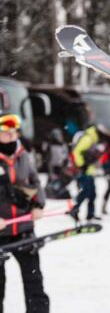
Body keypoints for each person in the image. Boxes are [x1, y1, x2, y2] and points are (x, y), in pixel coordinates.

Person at [0, 113, 50, 313]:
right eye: (5, 133)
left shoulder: (23, 155)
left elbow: (35, 182)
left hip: (23, 229)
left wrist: (39, 204)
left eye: (13, 133)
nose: (10, 137)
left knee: (34, 281)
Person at [68, 124, 110, 222]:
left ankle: (90, 214)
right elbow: (76, 152)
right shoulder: (88, 138)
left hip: (89, 171)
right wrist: (81, 165)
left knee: (92, 193)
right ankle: (74, 210)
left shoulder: (93, 139)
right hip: (84, 171)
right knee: (86, 192)